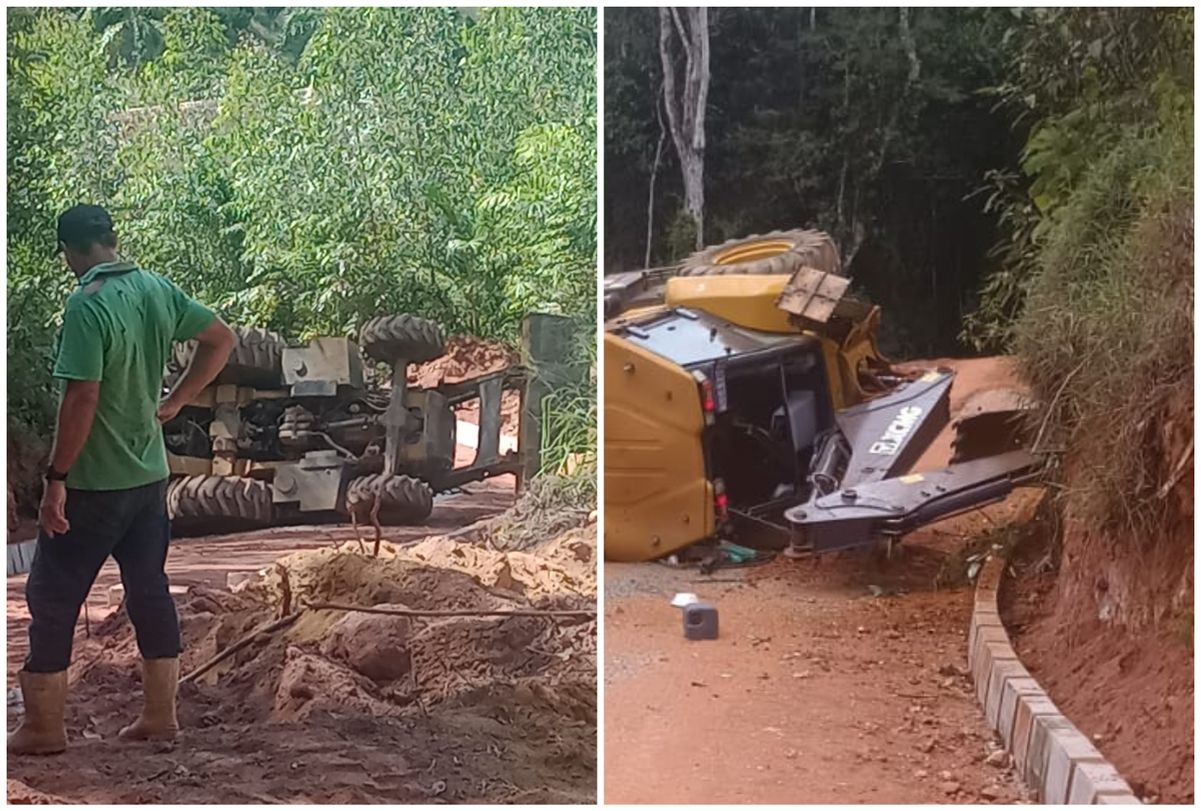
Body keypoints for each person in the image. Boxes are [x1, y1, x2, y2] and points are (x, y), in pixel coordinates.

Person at [8, 204, 236, 755]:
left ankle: (43, 727)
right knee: (149, 589)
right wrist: (178, 399)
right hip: (148, 478)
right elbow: (221, 338)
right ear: (112, 240)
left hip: (96, 481)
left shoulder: (87, 305)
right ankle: (161, 717)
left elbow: (82, 396)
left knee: (52, 594)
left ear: (69, 251)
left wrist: (57, 477)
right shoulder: (155, 288)